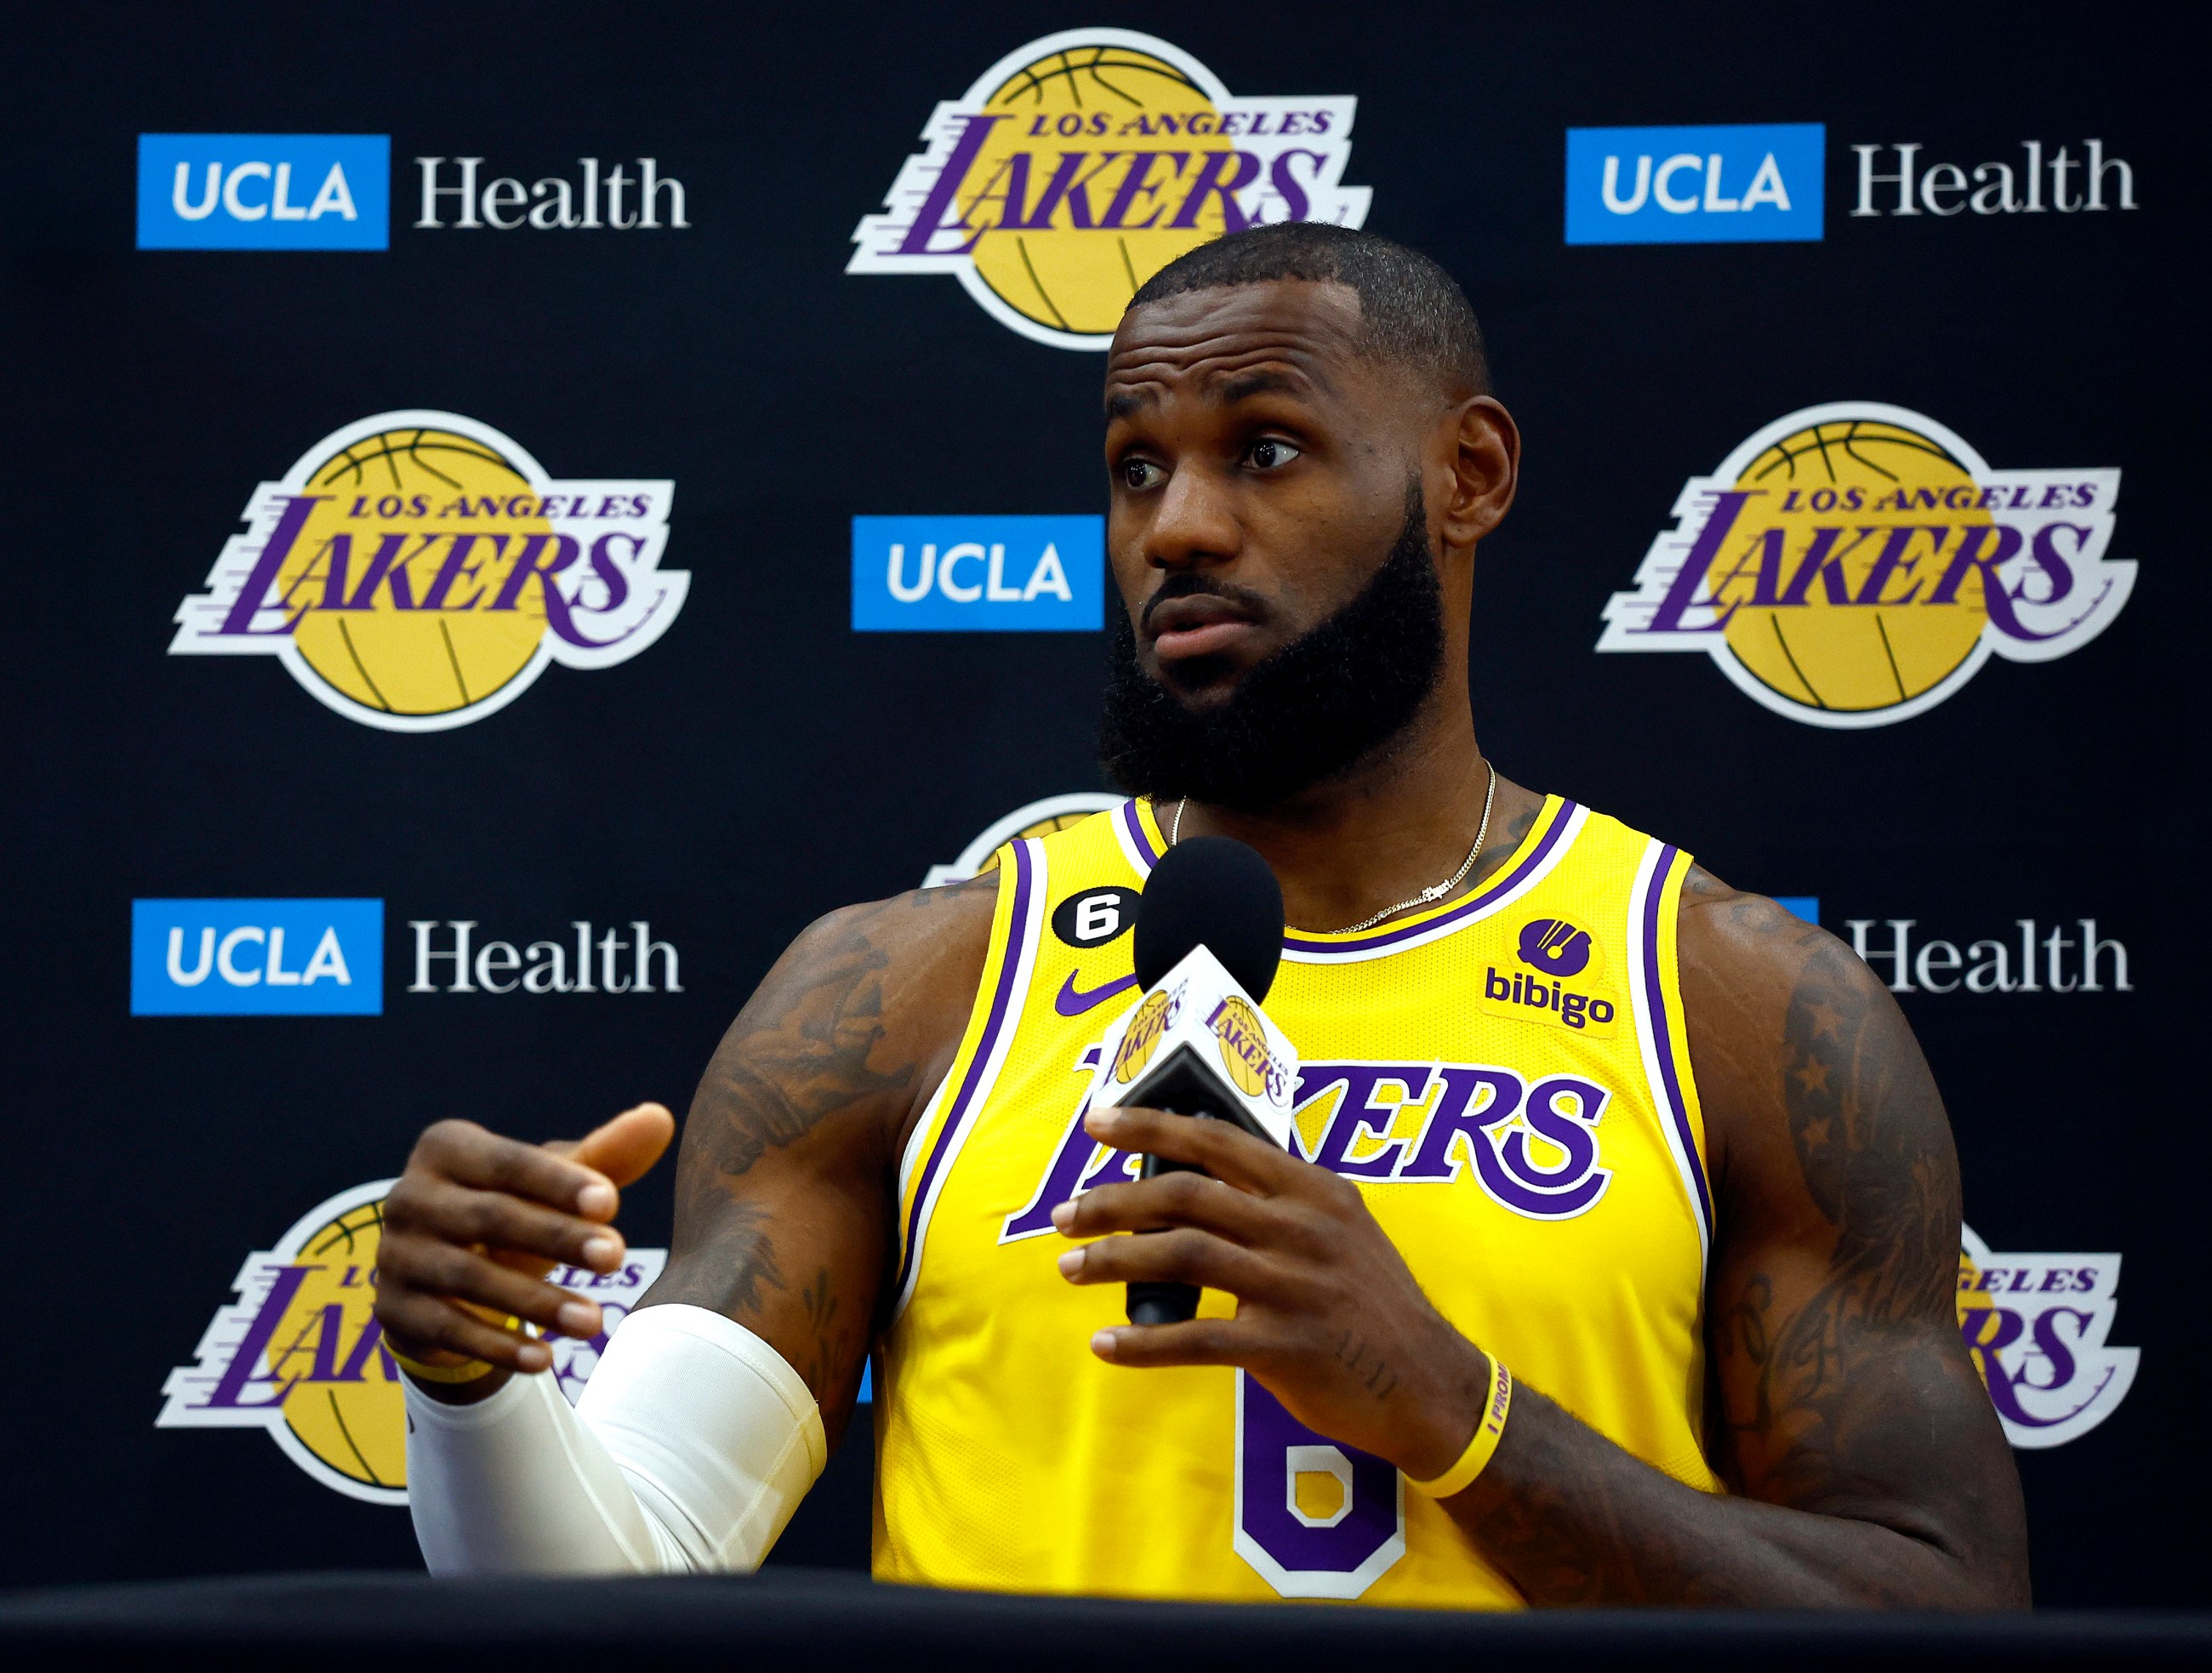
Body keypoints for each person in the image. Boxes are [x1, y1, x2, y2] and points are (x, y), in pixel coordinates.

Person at [374, 223, 2028, 1608]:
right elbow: (625, 1570)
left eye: (1267, 449)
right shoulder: (908, 990)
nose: (1177, 527)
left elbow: (1941, 1603)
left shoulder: (1735, 1003)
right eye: (1133, 467)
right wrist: (474, 1396)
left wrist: (1454, 1411)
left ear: (1469, 472)